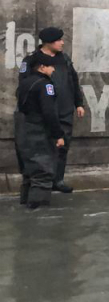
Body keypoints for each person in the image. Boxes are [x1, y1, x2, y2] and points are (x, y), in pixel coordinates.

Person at [20, 27, 84, 193]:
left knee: (63, 147)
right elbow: (24, 87)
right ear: (48, 42)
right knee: (42, 150)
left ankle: (58, 180)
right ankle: (41, 183)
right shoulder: (31, 61)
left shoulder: (65, 59)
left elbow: (73, 81)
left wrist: (79, 103)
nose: (62, 43)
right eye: (59, 40)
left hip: (65, 110)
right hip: (43, 114)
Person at [15, 52, 66, 209]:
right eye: (51, 66)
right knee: (42, 173)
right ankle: (39, 209)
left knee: (29, 173)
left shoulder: (25, 83)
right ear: (42, 67)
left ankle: (25, 204)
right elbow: (49, 112)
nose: (53, 70)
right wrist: (58, 135)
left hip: (23, 133)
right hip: (39, 133)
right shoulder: (45, 85)